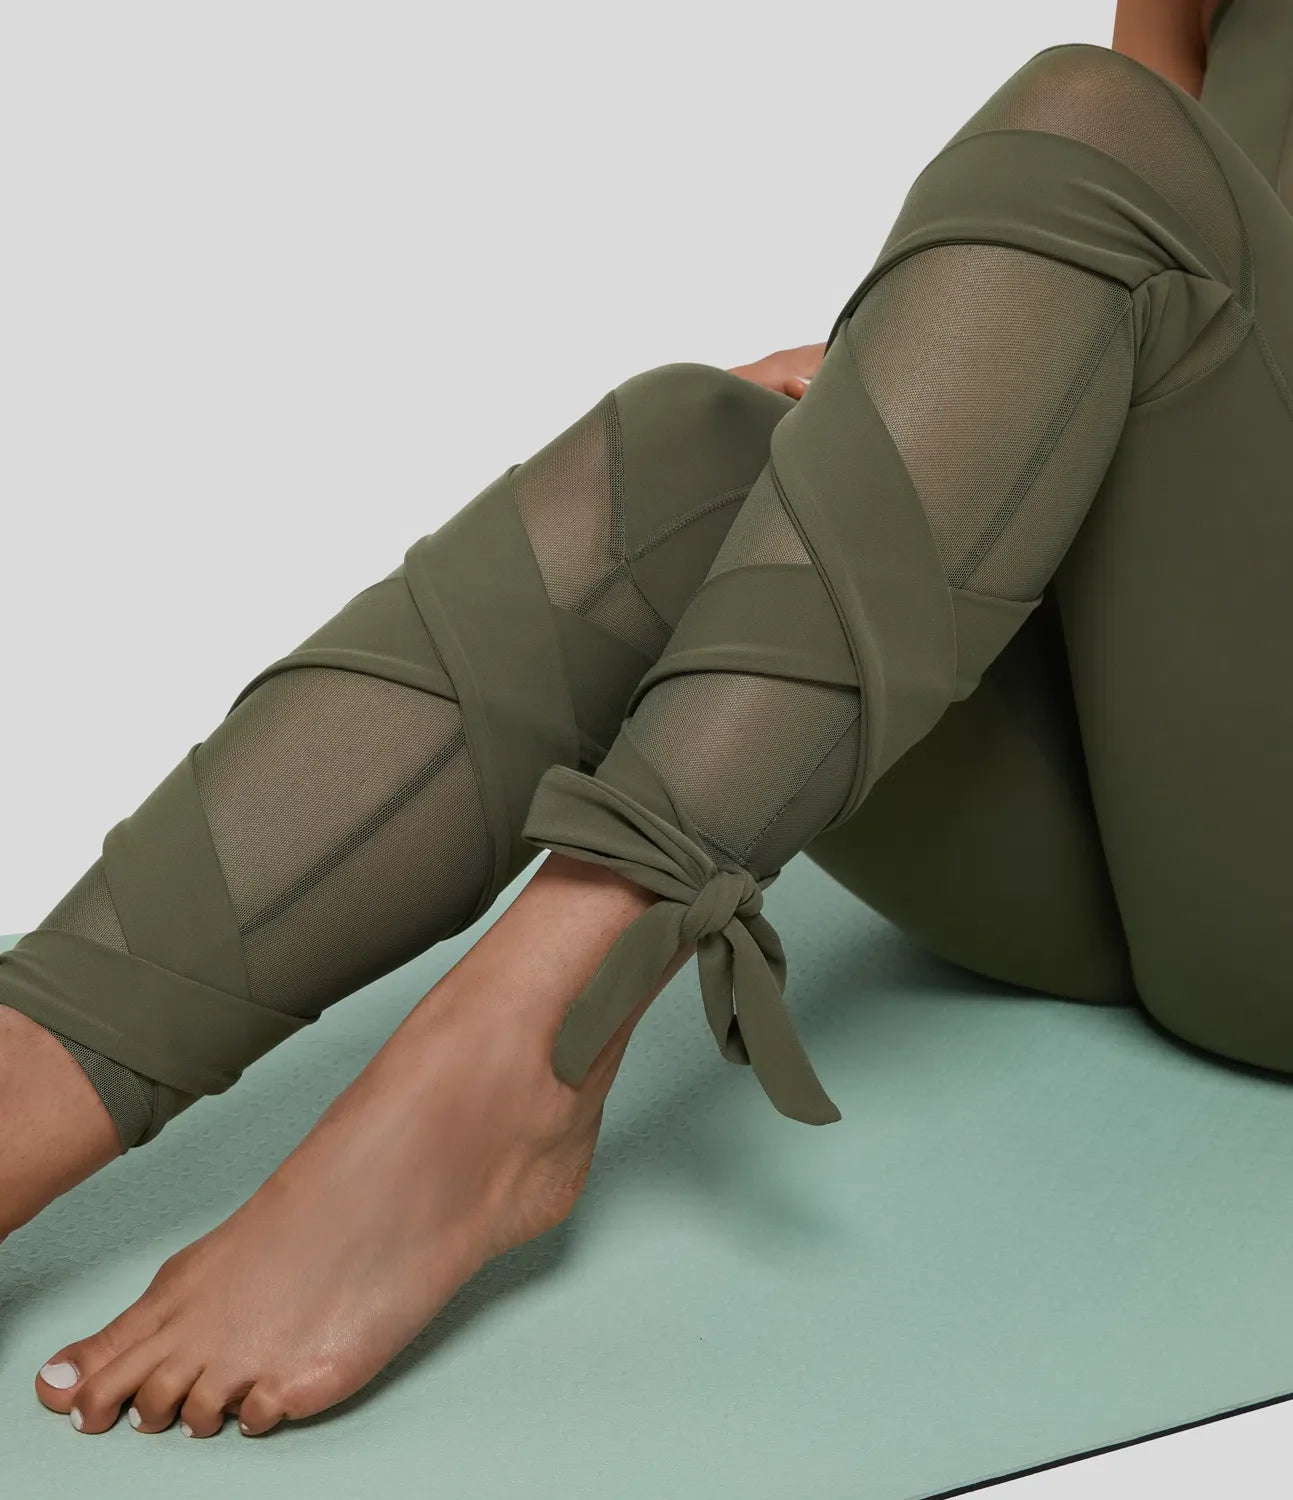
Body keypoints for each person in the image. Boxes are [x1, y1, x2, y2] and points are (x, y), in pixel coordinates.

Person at [2, 0, 1285, 1442]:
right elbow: (1182, 208)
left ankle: (521, 1053)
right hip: (1155, 778)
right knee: (699, 451)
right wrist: (938, 394)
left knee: (1083, 123)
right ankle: (26, 1081)